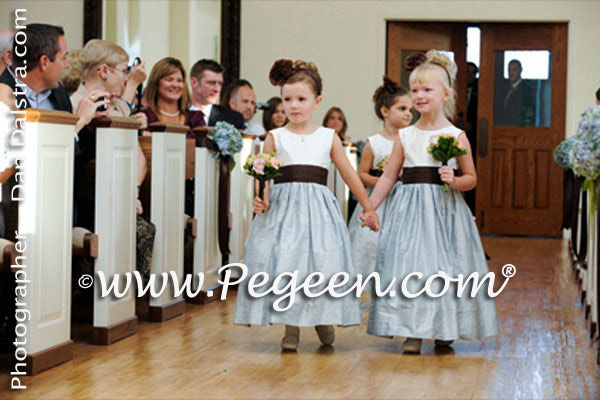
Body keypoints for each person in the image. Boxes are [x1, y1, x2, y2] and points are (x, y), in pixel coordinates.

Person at [234, 59, 379, 351]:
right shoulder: (275, 136)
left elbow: (349, 174)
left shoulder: (328, 137)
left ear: (317, 102)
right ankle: (291, 327)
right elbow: (262, 173)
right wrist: (259, 197)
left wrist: (368, 206)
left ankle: (322, 318)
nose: (294, 105)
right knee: (289, 266)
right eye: (288, 99)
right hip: (283, 211)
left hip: (318, 211)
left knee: (321, 265)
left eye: (301, 99)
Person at [364, 50, 498, 354]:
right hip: (409, 214)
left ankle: (444, 327)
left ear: (446, 94)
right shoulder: (405, 135)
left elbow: (471, 178)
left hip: (444, 213)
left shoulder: (456, 135)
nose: (420, 96)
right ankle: (412, 330)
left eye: (427, 90)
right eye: (415, 90)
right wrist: (371, 206)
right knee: (411, 268)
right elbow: (388, 176)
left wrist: (454, 179)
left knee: (443, 269)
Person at [69, 39, 155, 283]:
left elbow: (135, 154)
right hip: (86, 197)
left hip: (115, 193)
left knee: (144, 230)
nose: (127, 78)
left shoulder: (117, 104)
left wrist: (133, 193)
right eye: (124, 70)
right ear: (104, 71)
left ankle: (123, 298)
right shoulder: (77, 103)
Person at [347, 77, 411, 296]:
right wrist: (386, 181)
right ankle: (370, 287)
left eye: (410, 109)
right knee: (372, 244)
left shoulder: (411, 140)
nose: (408, 114)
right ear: (385, 111)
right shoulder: (374, 143)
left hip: (404, 201)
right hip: (380, 201)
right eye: (402, 108)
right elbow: (362, 175)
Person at [141, 57, 205, 137]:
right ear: (156, 84)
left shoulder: (196, 118)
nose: (175, 85)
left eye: (179, 81)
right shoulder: (145, 117)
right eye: (169, 80)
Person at [189, 59, 244, 129]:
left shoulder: (233, 119)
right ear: (194, 83)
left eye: (220, 84)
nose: (217, 89)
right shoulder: (177, 113)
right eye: (211, 83)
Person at [495, 59, 536, 126]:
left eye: (514, 70)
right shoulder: (504, 88)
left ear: (520, 71)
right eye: (509, 70)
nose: (511, 73)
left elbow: (529, 113)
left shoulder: (526, 89)